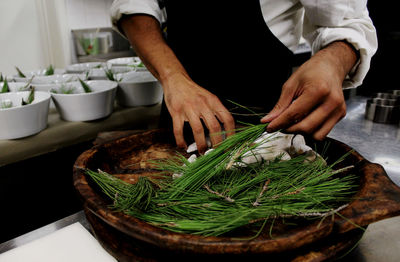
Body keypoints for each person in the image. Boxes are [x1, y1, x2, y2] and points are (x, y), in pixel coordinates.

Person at [110, 0, 377, 153]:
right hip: (179, 118)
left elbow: (349, 24)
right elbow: (134, 4)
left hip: (266, 125)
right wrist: (173, 77)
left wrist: (332, 62)